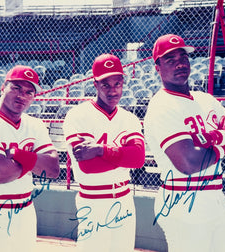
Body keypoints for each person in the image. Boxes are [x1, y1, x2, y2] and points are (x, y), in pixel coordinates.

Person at [144, 34, 225, 252]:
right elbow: (188, 162)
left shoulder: (206, 100)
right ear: (157, 67)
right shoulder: (161, 105)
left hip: (216, 197)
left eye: (183, 57)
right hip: (183, 200)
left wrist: (214, 138)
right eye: (170, 59)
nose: (180, 63)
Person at [0, 65, 60, 252]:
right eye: (16, 88)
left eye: (29, 92)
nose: (22, 95)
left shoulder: (35, 124)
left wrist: (19, 155)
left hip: (25, 210)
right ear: (3, 87)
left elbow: (53, 169)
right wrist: (34, 161)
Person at [63, 53, 145, 252]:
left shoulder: (130, 118)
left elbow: (138, 159)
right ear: (95, 84)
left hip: (124, 200)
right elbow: (88, 166)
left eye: (117, 83)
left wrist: (101, 150)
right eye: (105, 84)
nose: (113, 90)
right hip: (93, 201)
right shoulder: (78, 115)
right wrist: (122, 155)